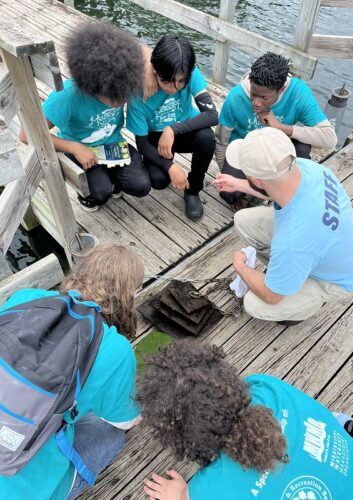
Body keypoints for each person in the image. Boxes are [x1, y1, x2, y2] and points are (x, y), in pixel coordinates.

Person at [138, 341, 353, 500]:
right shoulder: (266, 387)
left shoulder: (210, 488)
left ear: (182, 437)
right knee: (332, 421)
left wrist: (179, 494)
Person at [0, 243, 143, 499]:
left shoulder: (24, 298)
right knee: (110, 434)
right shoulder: (116, 350)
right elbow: (125, 421)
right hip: (26, 490)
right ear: (128, 294)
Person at [214, 127, 353, 324]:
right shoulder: (308, 168)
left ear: (256, 180)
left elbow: (271, 296)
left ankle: (305, 296)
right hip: (327, 246)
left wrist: (239, 265)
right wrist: (239, 184)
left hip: (334, 280)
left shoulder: (293, 239)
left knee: (255, 303)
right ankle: (287, 275)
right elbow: (274, 188)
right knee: (243, 221)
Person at [20, 22, 155, 212]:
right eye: (114, 97)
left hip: (112, 144)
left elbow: (146, 51)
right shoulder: (66, 96)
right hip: (79, 147)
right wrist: (74, 147)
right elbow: (26, 135)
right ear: (92, 86)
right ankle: (91, 194)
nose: (121, 101)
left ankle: (113, 180)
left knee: (141, 186)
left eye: (125, 93)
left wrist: (147, 70)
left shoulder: (122, 78)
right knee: (101, 193)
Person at [215, 52, 337, 209]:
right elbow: (221, 140)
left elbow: (329, 139)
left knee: (302, 147)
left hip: (276, 151)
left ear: (281, 90)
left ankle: (282, 192)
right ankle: (260, 190)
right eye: (253, 94)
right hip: (245, 150)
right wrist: (228, 176)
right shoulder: (236, 97)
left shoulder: (298, 93)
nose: (256, 103)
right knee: (228, 193)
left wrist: (281, 127)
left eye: (264, 98)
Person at [126, 35, 218, 220]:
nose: (175, 87)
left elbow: (212, 115)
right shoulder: (138, 93)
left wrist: (172, 130)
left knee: (207, 138)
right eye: (167, 81)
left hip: (182, 130)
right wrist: (170, 166)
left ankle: (193, 191)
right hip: (153, 137)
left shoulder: (189, 72)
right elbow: (142, 143)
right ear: (154, 70)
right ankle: (163, 163)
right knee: (159, 181)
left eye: (181, 81)